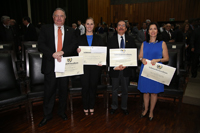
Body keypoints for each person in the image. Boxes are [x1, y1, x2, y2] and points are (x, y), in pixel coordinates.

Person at [38, 8, 77, 127]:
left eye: (62, 16)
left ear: (65, 18)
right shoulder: (45, 29)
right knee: (49, 92)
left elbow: (73, 44)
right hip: (50, 64)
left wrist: (63, 52)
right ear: (53, 17)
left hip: (64, 65)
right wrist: (53, 53)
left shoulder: (70, 30)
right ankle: (47, 115)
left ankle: (61, 112)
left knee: (63, 91)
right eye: (57, 16)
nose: (59, 18)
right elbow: (41, 45)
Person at [138, 22, 169, 121]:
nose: (152, 31)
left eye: (155, 29)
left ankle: (151, 111)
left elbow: (166, 58)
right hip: (145, 70)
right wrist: (141, 59)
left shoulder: (162, 43)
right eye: (150, 29)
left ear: (157, 31)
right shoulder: (144, 43)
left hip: (156, 70)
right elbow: (140, 56)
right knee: (145, 92)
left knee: (154, 93)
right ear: (148, 31)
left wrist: (158, 60)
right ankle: (145, 109)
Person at [107, 20, 137, 115]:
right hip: (115, 69)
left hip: (126, 69)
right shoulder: (110, 40)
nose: (121, 27)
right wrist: (113, 66)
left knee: (125, 90)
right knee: (114, 89)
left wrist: (127, 64)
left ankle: (124, 107)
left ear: (126, 28)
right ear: (116, 28)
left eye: (123, 25)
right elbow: (107, 55)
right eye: (119, 25)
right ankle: (114, 106)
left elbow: (134, 55)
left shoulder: (131, 40)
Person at [77, 17, 105, 115]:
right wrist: (77, 51)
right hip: (83, 67)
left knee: (93, 87)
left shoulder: (99, 38)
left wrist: (102, 61)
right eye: (87, 24)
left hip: (95, 67)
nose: (89, 26)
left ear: (94, 26)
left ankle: (91, 106)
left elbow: (102, 53)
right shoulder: (79, 38)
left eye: (91, 24)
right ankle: (85, 106)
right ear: (85, 25)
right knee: (85, 87)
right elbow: (74, 53)